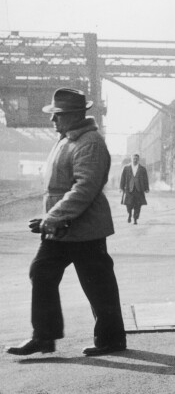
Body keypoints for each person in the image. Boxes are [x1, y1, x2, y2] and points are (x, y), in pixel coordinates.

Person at [6, 88, 126, 357]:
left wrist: (53, 216)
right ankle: (44, 337)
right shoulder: (67, 140)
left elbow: (84, 188)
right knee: (42, 273)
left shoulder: (89, 143)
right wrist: (51, 218)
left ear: (74, 115)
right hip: (61, 228)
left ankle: (112, 340)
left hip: (85, 229)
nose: (53, 121)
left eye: (57, 115)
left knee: (98, 285)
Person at [119, 153, 149, 224]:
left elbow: (145, 179)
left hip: (139, 190)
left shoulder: (142, 169)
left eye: (136, 159)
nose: (135, 160)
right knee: (128, 204)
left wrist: (146, 188)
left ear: (138, 159)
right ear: (131, 159)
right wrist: (121, 188)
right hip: (129, 189)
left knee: (138, 205)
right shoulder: (126, 168)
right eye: (134, 158)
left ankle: (135, 219)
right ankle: (129, 214)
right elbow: (122, 178)